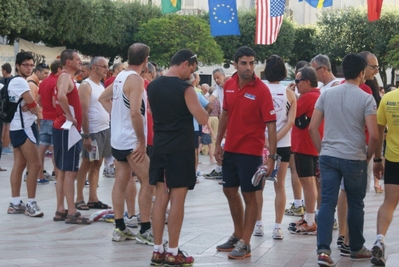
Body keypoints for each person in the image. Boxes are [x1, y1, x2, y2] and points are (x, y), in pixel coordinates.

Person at [308, 53, 379, 266]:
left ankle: (323, 251)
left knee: (328, 202)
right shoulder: (366, 98)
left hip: (329, 155)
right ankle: (356, 247)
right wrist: (368, 156)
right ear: (361, 73)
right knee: (356, 203)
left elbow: (312, 128)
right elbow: (374, 135)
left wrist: (322, 151)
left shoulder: (327, 95)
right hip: (354, 156)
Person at [215, 46, 277, 260]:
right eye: (244, 63)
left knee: (250, 195)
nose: (249, 67)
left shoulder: (262, 90)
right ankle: (237, 234)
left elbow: (271, 125)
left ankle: (246, 242)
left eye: (251, 63)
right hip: (230, 149)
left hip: (251, 152)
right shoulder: (230, 84)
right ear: (235, 64)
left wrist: (271, 157)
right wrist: (217, 144)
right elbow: (224, 114)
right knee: (229, 191)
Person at [147, 49, 208, 266]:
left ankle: (157, 250)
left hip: (159, 147)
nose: (191, 75)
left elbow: (153, 114)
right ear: (185, 63)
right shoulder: (186, 89)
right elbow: (201, 117)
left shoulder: (152, 85)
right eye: (191, 69)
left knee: (160, 199)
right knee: (177, 201)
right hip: (181, 149)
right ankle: (173, 251)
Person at [99, 43, 153, 243]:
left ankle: (120, 227)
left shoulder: (120, 76)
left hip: (118, 139)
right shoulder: (136, 80)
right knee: (148, 181)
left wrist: (116, 117)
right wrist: (141, 140)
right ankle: (145, 228)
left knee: (120, 182)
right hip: (131, 140)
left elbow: (103, 97)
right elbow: (135, 112)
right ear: (146, 60)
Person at [254, 55, 296, 239]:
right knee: (280, 185)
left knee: (258, 185)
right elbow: (291, 121)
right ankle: (278, 227)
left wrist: (267, 140)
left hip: (260, 144)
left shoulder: (259, 89)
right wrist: (276, 139)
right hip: (283, 144)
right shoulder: (289, 93)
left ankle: (258, 224)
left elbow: (254, 118)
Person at [53, 49, 91, 224]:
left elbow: (58, 98)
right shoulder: (66, 77)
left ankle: (61, 209)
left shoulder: (65, 78)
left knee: (62, 171)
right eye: (77, 59)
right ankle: (72, 212)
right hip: (67, 129)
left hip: (63, 128)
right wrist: (69, 115)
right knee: (70, 171)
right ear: (68, 62)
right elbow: (60, 96)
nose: (80, 62)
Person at [6, 52, 43, 217]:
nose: (29, 68)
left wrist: (33, 105)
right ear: (17, 66)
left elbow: (32, 104)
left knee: (20, 165)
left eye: (31, 65)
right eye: (25, 65)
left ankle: (15, 203)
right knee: (35, 165)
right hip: (24, 127)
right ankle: (31, 203)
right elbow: (34, 106)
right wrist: (34, 106)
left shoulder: (15, 81)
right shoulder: (20, 81)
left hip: (18, 126)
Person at [289, 66, 323, 235]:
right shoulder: (317, 95)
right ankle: (310, 218)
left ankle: (310, 221)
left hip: (304, 145)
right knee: (311, 183)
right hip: (312, 146)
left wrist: (289, 96)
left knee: (308, 184)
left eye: (297, 81)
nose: (296, 84)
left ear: (307, 82)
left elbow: (290, 112)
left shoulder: (308, 97)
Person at [75, 57, 112, 211]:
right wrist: (86, 135)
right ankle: (79, 198)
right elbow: (83, 111)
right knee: (86, 163)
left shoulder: (101, 86)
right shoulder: (86, 85)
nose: (106, 69)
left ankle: (93, 197)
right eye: (103, 66)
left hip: (104, 129)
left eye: (107, 66)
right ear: (93, 68)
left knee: (97, 163)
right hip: (93, 131)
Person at [371, 81, 399, 266]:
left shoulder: (388, 99)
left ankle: (380, 239)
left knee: (389, 202)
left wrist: (377, 160)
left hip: (394, 159)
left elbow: (379, 133)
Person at [36, 60, 63, 187]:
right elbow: (55, 103)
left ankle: (40, 175)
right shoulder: (57, 83)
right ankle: (57, 177)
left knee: (42, 148)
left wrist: (45, 109)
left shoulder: (43, 82)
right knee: (56, 149)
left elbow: (38, 100)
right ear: (59, 69)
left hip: (45, 117)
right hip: (55, 118)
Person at [27, 62, 51, 184]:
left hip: (37, 117)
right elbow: (32, 103)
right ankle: (34, 173)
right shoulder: (32, 84)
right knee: (39, 147)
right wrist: (38, 117)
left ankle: (36, 172)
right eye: (45, 73)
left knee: (40, 147)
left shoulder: (36, 83)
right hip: (35, 119)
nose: (47, 75)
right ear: (38, 72)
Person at [203, 68, 226, 179]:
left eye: (218, 77)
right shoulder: (218, 88)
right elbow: (210, 99)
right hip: (224, 118)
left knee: (224, 144)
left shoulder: (231, 85)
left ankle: (223, 170)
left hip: (231, 119)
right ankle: (219, 169)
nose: (217, 80)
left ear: (223, 75)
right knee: (221, 143)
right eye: (215, 78)